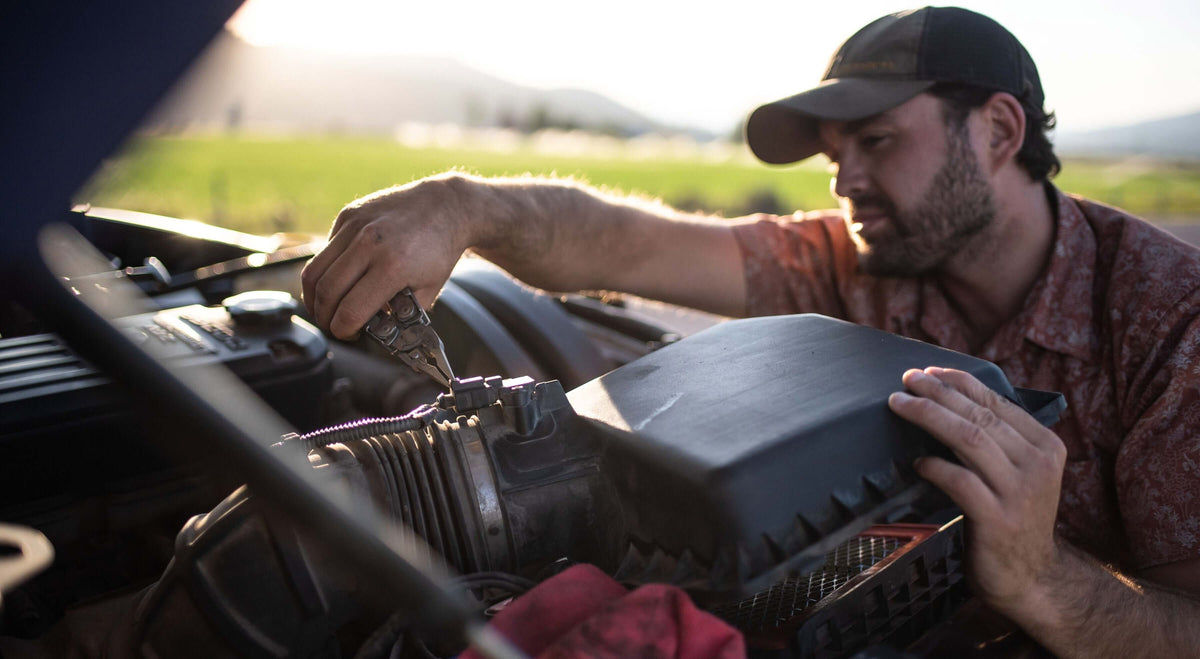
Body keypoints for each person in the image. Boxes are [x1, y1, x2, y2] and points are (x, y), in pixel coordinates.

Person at [302, 7, 1200, 656]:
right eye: (833, 157)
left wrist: (1045, 579)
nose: (843, 181)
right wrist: (466, 205)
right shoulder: (848, 262)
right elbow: (622, 240)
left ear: (999, 130)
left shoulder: (1169, 323)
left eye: (877, 142)